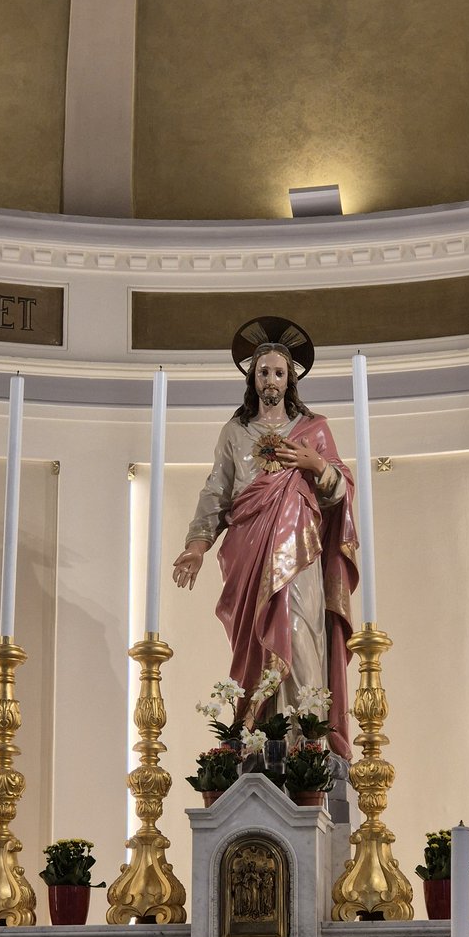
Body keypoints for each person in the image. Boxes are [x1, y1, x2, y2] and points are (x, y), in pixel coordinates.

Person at [173, 317, 358, 760]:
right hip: (250, 554)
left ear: (290, 378)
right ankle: (256, 742)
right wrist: (198, 546)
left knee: (301, 640)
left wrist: (317, 466)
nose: (270, 379)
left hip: (301, 558)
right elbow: (217, 493)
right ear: (252, 378)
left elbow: (339, 495)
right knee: (255, 647)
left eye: (278, 371)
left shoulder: (313, 430)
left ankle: (305, 746)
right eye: (262, 371)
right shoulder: (235, 433)